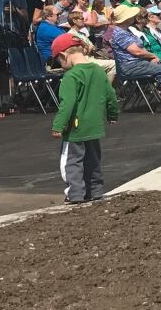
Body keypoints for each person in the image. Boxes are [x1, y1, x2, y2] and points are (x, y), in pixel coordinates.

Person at [49, 33, 119, 203]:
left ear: (64, 55)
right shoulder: (98, 71)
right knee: (93, 160)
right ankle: (95, 191)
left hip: (75, 127)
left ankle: (75, 194)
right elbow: (111, 95)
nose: (60, 64)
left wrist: (58, 125)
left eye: (58, 61)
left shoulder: (71, 77)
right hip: (95, 125)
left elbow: (68, 103)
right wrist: (112, 114)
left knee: (72, 161)